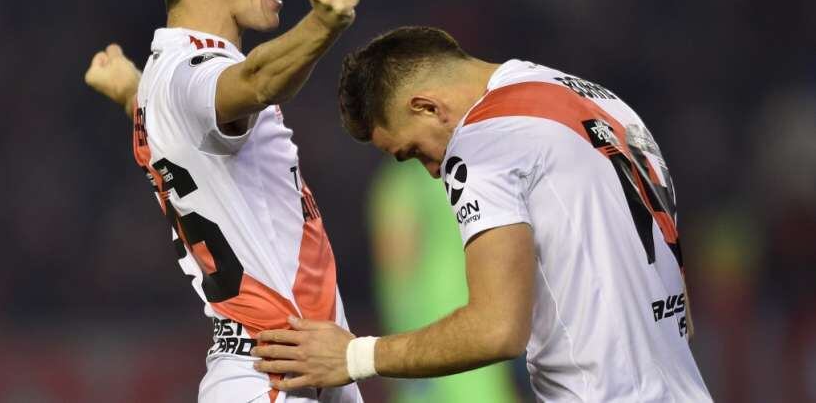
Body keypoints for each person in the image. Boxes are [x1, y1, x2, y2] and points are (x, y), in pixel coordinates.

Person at [252, 26, 713, 401]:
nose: (434, 172)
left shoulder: (482, 141)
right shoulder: (604, 105)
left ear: (427, 107)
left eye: (414, 151)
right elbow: (682, 314)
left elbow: (497, 330)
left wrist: (354, 357)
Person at [84, 0, 362, 403]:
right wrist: (323, 23)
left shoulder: (170, 79)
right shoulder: (195, 69)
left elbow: (188, 120)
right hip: (272, 371)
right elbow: (252, 83)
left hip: (289, 365)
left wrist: (132, 94)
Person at [367, 159, 518, 402]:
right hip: (453, 326)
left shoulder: (401, 184)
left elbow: (395, 275)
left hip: (451, 329)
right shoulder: (470, 172)